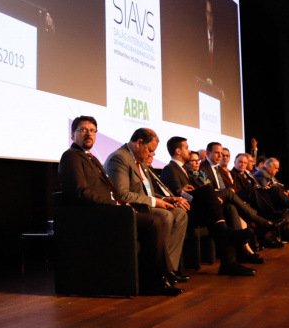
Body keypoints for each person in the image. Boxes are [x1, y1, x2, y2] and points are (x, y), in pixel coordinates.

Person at [58, 117, 182, 295]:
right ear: (72, 135)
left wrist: (120, 203)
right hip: (95, 215)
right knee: (154, 222)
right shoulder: (71, 156)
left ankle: (159, 276)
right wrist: (113, 204)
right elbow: (80, 192)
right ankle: (158, 279)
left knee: (157, 220)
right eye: (83, 130)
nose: (89, 134)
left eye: (93, 130)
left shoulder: (90, 157)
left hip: (108, 211)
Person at [160, 137, 260, 275]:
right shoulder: (169, 169)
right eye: (186, 148)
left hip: (198, 208)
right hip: (186, 211)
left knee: (228, 208)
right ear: (178, 151)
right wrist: (197, 194)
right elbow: (179, 196)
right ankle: (236, 232)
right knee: (208, 191)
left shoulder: (184, 170)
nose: (189, 150)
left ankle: (229, 263)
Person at [106, 128, 190, 284]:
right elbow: (122, 195)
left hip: (145, 204)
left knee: (180, 213)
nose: (153, 154)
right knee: (165, 215)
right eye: (150, 150)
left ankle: (168, 269)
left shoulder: (141, 161)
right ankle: (155, 272)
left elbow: (148, 191)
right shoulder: (119, 159)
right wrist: (157, 202)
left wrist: (165, 198)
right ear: (139, 143)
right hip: (130, 209)